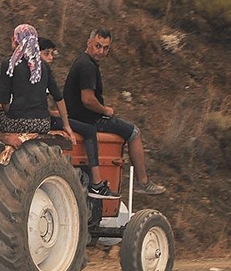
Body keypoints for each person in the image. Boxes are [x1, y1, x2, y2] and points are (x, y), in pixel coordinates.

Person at [64, 28, 166, 195]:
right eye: (98, 46)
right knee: (134, 133)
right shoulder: (87, 66)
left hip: (77, 115)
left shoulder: (82, 62)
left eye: (105, 48)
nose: (101, 51)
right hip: (88, 118)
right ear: (89, 43)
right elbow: (87, 99)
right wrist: (105, 110)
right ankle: (143, 182)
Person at [41, 37, 118, 199]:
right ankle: (96, 183)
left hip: (31, 117)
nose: (51, 58)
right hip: (40, 120)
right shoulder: (43, 71)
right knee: (89, 131)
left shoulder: (17, 67)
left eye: (52, 54)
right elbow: (58, 98)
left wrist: (52, 113)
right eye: (46, 54)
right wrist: (65, 122)